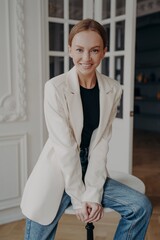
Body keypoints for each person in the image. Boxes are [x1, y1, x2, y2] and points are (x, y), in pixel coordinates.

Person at [21, 18, 152, 240]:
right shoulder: (55, 88)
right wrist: (81, 198)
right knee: (37, 233)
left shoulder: (112, 89)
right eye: (80, 50)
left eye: (94, 50)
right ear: (70, 50)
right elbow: (65, 148)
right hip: (58, 171)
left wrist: (93, 192)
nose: (86, 58)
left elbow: (101, 143)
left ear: (104, 52)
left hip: (91, 169)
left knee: (140, 207)